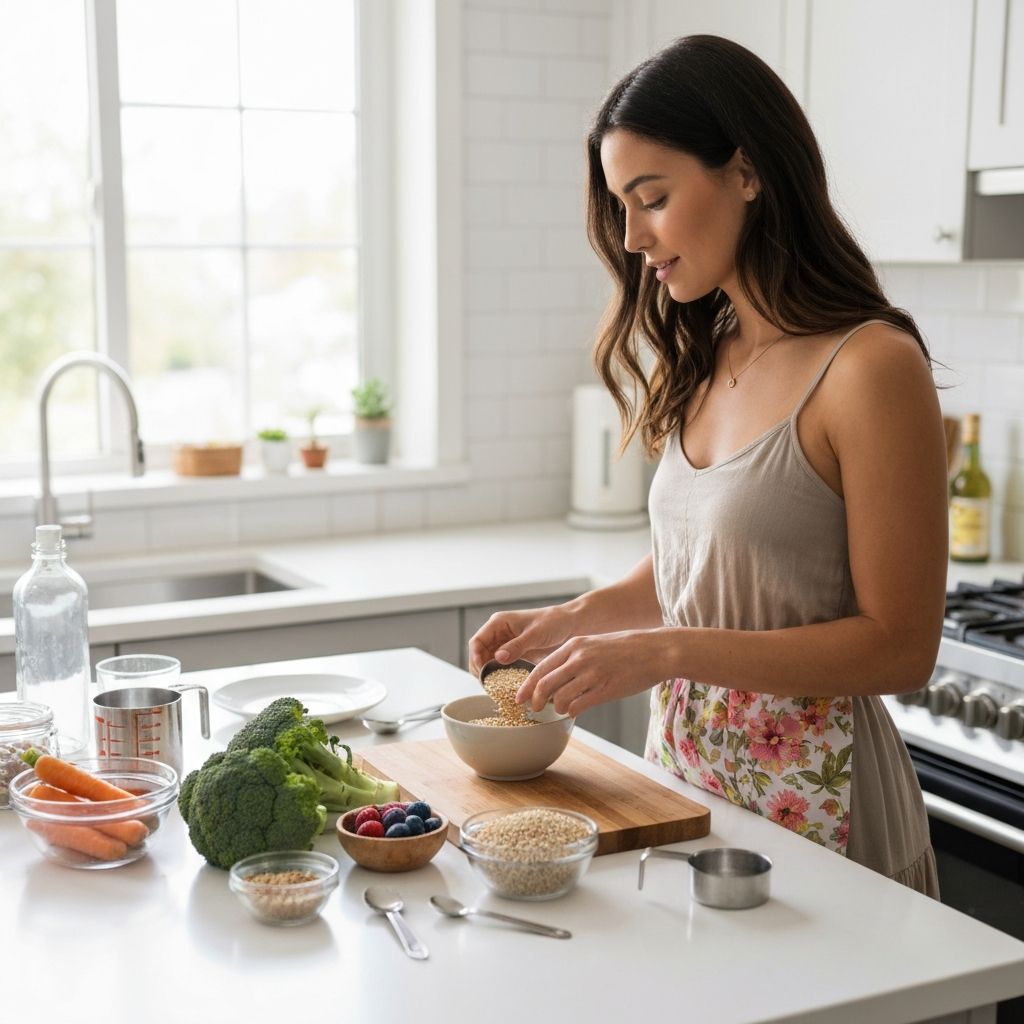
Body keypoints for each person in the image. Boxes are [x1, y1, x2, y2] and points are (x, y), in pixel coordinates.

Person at [468, 35, 948, 897]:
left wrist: (666, 651)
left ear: (748, 172)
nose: (632, 236)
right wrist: (571, 621)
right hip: (691, 787)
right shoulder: (706, 351)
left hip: (823, 804)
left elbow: (902, 647)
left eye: (651, 197)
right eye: (621, 205)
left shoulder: (870, 367)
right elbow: (707, 572)